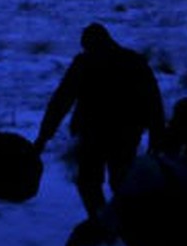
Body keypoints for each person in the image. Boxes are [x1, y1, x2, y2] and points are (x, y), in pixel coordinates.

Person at [34, 23, 165, 220]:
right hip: (123, 134)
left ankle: (103, 221)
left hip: (96, 134)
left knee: (91, 182)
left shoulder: (85, 62)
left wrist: (44, 136)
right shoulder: (133, 61)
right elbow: (153, 101)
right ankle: (117, 222)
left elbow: (61, 101)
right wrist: (157, 136)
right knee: (118, 180)